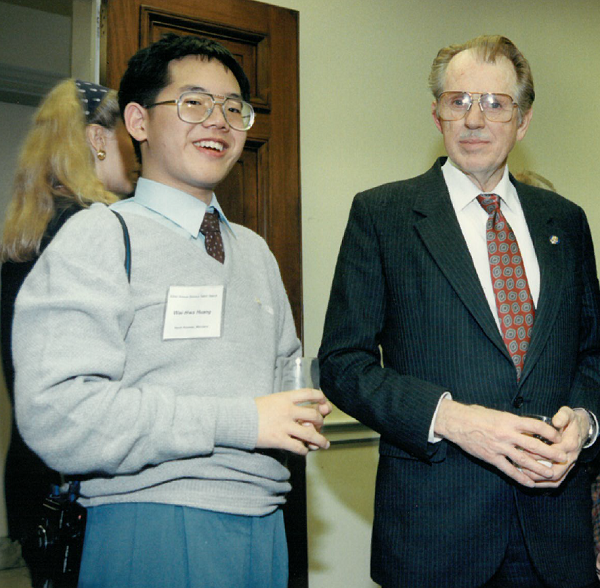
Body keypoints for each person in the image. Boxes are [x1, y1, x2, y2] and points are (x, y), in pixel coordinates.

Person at [12, 34, 331, 588]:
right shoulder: (100, 237)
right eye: (193, 103)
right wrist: (243, 419)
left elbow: (285, 376)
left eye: (234, 108)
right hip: (150, 524)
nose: (219, 121)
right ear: (137, 121)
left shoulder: (255, 251)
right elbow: (57, 413)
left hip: (266, 525)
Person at [319, 34, 600, 588]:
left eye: (495, 103)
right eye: (458, 101)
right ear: (437, 113)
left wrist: (587, 421)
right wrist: (449, 418)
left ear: (522, 122)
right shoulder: (384, 214)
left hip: (556, 536)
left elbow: (592, 353)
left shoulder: (565, 220)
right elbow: (342, 364)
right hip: (435, 537)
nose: (475, 118)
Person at [0, 78, 137, 554]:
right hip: (77, 482)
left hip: (32, 473)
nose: (140, 146)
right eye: (128, 131)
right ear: (98, 139)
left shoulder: (30, 235)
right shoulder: (90, 229)